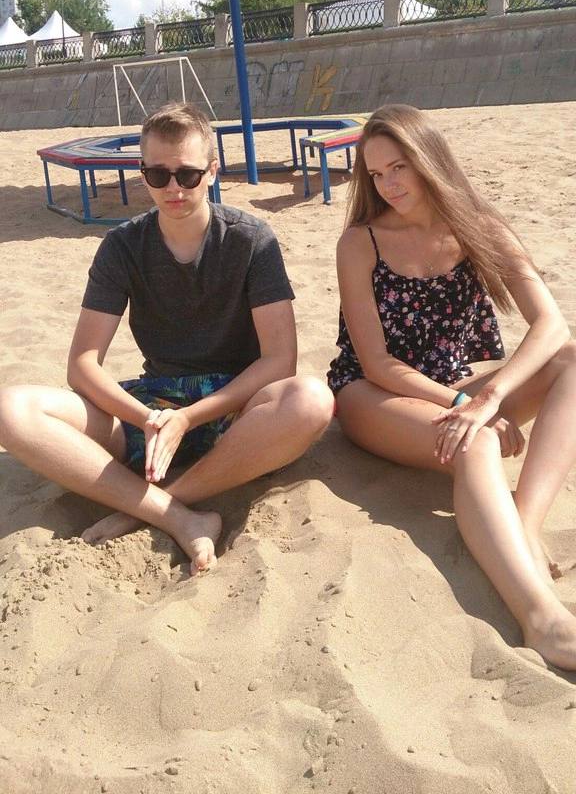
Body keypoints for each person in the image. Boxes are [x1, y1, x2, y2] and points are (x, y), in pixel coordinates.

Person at [0, 103, 334, 575]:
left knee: (311, 400)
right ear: (143, 174)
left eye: (187, 175)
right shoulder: (123, 246)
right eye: (158, 175)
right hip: (154, 406)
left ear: (212, 172)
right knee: (13, 409)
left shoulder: (251, 239)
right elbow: (83, 364)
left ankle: (147, 508)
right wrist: (150, 419)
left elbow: (280, 360)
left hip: (235, 409)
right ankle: (175, 515)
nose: (173, 188)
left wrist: (189, 419)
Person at [328, 104, 576, 670]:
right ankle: (542, 618)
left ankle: (523, 525)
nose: (388, 185)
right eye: (376, 173)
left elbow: (551, 324)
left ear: (429, 159)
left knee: (571, 360)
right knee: (476, 439)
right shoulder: (360, 243)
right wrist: (471, 406)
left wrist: (490, 396)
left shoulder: (478, 225)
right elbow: (377, 364)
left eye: (399, 167)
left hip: (457, 382)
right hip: (374, 394)